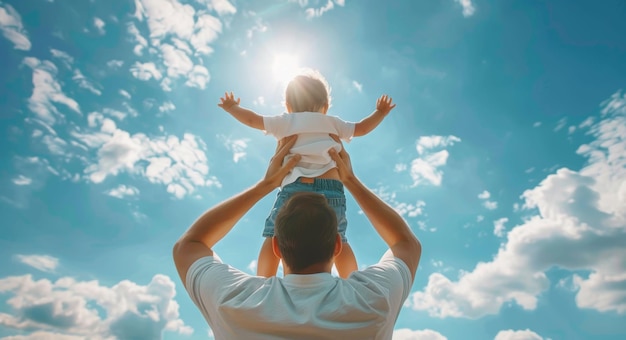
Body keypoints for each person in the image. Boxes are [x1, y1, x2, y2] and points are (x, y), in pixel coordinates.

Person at [172, 134, 422, 339]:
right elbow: (405, 243)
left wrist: (266, 184)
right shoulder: (372, 302)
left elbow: (189, 245)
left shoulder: (235, 303)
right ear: (337, 245)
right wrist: (350, 180)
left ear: (276, 247)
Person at [217, 68, 396, 278]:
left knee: (273, 234)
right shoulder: (333, 123)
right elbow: (362, 128)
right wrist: (380, 113)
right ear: (326, 106)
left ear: (288, 105)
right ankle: (353, 280)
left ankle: (264, 281)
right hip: (332, 188)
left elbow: (253, 120)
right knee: (338, 236)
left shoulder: (285, 122)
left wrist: (232, 108)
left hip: (295, 187)